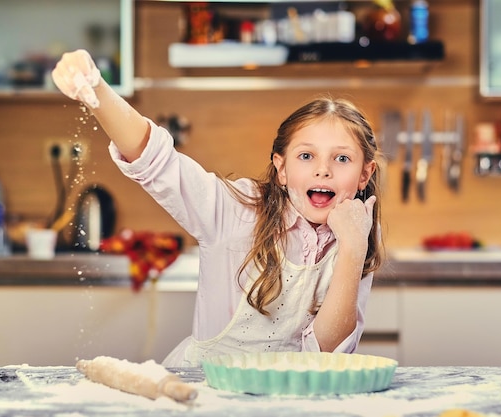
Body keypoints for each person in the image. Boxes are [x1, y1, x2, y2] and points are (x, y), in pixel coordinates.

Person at [51, 50, 385, 367]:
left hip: (289, 400)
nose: (322, 170)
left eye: (342, 158)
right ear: (281, 169)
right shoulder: (236, 211)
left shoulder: (357, 233)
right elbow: (156, 161)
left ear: (364, 175)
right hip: (205, 393)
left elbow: (325, 354)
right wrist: (96, 86)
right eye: (306, 156)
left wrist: (353, 248)